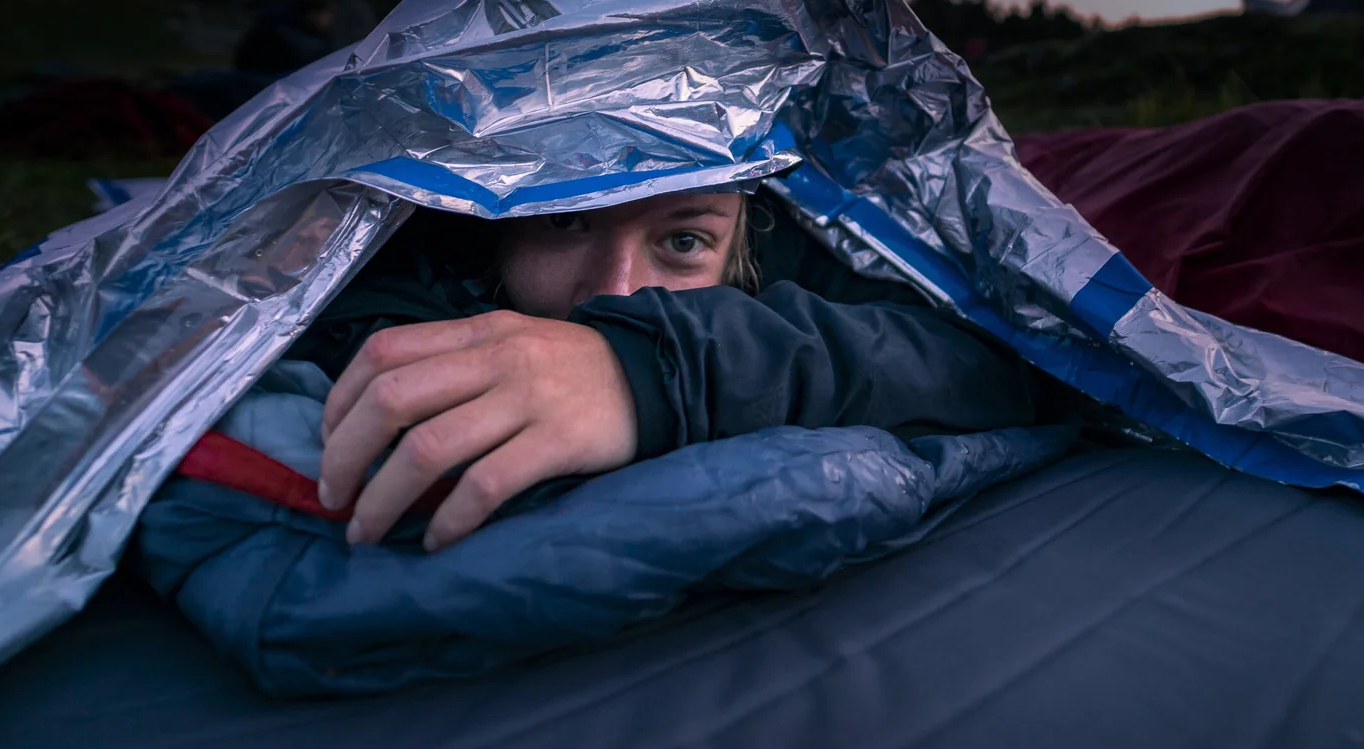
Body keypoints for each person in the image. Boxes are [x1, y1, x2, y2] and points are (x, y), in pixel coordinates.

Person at [291, 187, 1052, 555]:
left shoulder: (800, 236)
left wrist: (655, 367)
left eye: (683, 241)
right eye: (564, 220)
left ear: (739, 254)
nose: (617, 289)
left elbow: (1004, 357)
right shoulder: (399, 260)